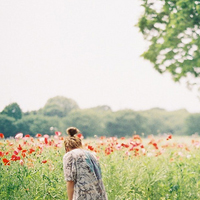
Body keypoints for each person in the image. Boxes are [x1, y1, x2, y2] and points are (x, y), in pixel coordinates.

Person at [63, 127, 108, 200]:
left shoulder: (70, 155)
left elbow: (70, 181)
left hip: (83, 196)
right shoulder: (91, 154)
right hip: (99, 195)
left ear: (67, 148)